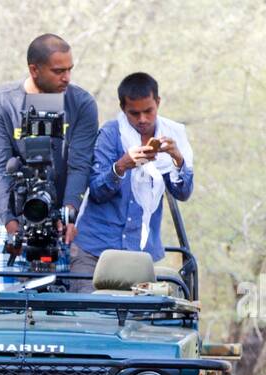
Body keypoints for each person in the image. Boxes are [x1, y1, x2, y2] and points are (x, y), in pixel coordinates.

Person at [0, 33, 99, 280]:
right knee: (6, 304)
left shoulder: (82, 103)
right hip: (11, 215)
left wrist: (69, 212)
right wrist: (10, 223)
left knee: (58, 310)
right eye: (58, 71)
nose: (66, 78)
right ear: (34, 69)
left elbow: (80, 165)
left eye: (70, 70)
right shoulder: (0, 102)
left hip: (58, 220)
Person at [71, 72, 194, 292]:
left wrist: (177, 158)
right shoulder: (110, 134)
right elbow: (97, 191)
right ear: (123, 108)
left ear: (158, 102)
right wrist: (121, 166)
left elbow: (183, 193)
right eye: (134, 113)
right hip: (95, 250)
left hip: (139, 254)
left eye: (148, 111)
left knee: (133, 323)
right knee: (90, 320)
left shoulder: (171, 135)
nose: (143, 120)